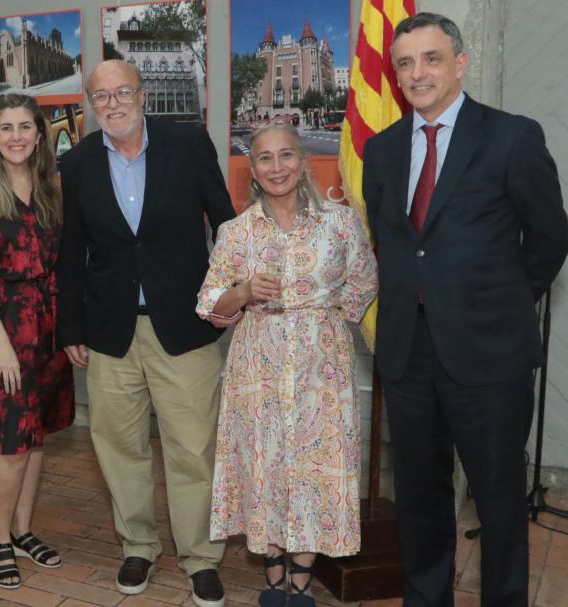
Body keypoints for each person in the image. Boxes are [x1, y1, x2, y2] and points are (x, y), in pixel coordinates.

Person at [362, 13, 568, 607]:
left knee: (499, 504)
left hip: (490, 356)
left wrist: (498, 303)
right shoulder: (381, 151)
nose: (417, 73)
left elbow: (549, 239)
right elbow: (394, 241)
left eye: (430, 58)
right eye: (405, 63)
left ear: (459, 62)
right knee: (422, 503)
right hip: (408, 354)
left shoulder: (511, 136)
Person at [56, 59, 236, 606]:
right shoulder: (79, 162)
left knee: (193, 448)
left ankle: (201, 557)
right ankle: (137, 545)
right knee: (118, 446)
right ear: (91, 103)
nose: (112, 103)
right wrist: (70, 325)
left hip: (185, 326)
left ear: (142, 94)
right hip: (110, 332)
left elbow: (226, 227)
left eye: (122, 91)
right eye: (101, 96)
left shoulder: (188, 144)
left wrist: (228, 298)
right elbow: (69, 253)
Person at [197, 125, 378, 607]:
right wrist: (243, 293)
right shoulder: (235, 232)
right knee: (267, 463)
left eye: (285, 156)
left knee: (317, 467)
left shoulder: (340, 223)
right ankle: (273, 580)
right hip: (257, 365)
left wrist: (325, 324)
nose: (276, 167)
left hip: (323, 364)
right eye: (264, 159)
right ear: (252, 170)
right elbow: (210, 306)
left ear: (303, 162)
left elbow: (364, 281)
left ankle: (302, 580)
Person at [0, 94, 76, 589]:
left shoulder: (50, 186)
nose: (17, 136)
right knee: (11, 443)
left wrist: (70, 331)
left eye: (26, 127)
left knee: (38, 432)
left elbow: (66, 263)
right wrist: (1, 344)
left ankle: (24, 530)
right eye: (7, 127)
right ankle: (0, 539)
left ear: (39, 134)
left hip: (48, 326)